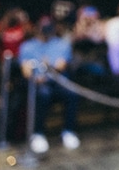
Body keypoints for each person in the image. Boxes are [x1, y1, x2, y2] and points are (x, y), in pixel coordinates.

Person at [18, 15, 80, 154]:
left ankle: (68, 131)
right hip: (37, 84)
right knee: (43, 95)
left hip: (57, 82)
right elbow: (25, 70)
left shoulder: (61, 44)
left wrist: (49, 67)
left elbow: (61, 65)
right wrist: (35, 76)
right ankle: (38, 134)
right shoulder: (27, 46)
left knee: (72, 94)